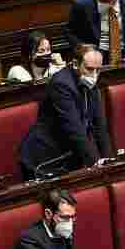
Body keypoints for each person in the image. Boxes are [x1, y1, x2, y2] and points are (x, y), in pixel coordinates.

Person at [18, 43, 111, 179]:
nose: (94, 75)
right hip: (44, 158)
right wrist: (96, 164)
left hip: (66, 155)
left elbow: (100, 127)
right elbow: (75, 130)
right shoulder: (61, 84)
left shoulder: (91, 84)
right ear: (75, 64)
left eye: (98, 70)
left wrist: (110, 162)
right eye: (90, 69)